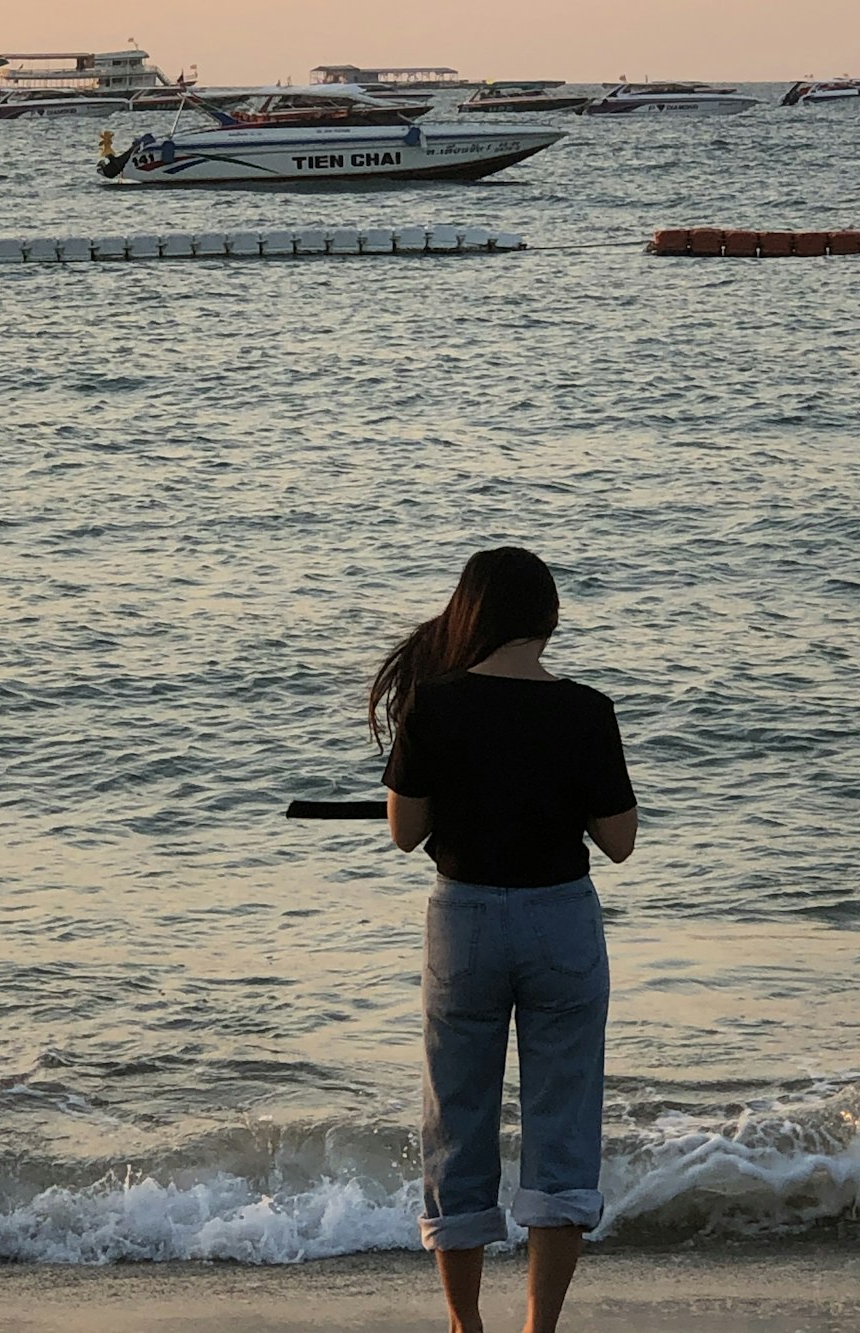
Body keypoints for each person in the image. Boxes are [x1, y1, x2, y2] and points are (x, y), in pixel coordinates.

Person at [368, 547, 637, 1333]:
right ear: (549, 619)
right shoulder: (587, 710)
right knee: (562, 1124)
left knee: (457, 1122)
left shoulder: (434, 704)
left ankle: (465, 1323)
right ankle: (539, 1329)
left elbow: (404, 832)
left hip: (465, 924)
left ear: (471, 615)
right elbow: (618, 840)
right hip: (559, 918)